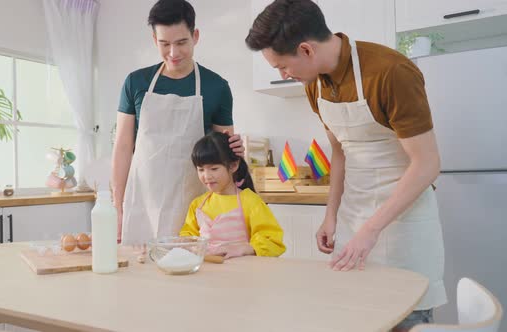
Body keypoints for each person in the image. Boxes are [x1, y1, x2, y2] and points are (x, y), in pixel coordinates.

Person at [245, 0, 446, 330]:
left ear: (306, 50)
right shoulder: (315, 85)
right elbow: (340, 151)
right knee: (357, 316)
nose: (283, 75)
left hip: (405, 224)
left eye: (282, 66)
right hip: (355, 218)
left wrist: (371, 230)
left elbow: (427, 164)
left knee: (407, 316)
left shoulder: (390, 72)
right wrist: (331, 215)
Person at [112, 0, 244, 247]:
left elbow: (223, 156)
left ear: (195, 36)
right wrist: (117, 207)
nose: (173, 53)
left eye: (181, 42)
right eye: (165, 44)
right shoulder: (136, 82)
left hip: (193, 203)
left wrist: (236, 151)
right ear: (155, 40)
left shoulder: (217, 87)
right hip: (142, 202)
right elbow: (122, 146)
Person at [180, 132, 286, 259]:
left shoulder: (250, 201)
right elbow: (188, 235)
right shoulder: (197, 204)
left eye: (214, 169)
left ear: (233, 165)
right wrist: (184, 243)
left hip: (242, 273)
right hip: (207, 272)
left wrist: (246, 248)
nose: (206, 176)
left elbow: (272, 241)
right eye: (201, 169)